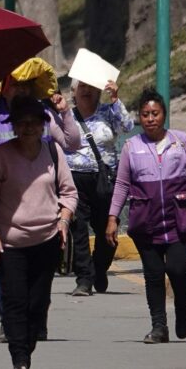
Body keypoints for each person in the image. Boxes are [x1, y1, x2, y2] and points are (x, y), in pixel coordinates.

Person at [0, 57, 81, 343]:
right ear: (4, 88)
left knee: (39, 278)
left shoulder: (42, 115)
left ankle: (35, 319)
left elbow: (72, 142)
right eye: (14, 85)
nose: (20, 91)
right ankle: (9, 320)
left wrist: (65, 113)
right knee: (7, 270)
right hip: (5, 207)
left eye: (26, 85)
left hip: (40, 204)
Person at [0, 95, 77, 369]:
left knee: (38, 304)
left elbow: (69, 192)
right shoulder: (1, 155)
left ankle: (26, 348)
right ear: (13, 126)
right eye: (21, 123)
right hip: (9, 244)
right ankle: (20, 359)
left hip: (46, 241)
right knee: (15, 302)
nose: (28, 128)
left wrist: (64, 220)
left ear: (44, 125)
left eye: (34, 123)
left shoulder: (53, 153)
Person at [106, 89, 186, 344]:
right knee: (153, 274)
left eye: (155, 113)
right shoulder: (131, 147)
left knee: (177, 268)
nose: (150, 119)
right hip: (146, 222)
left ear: (164, 115)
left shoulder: (180, 142)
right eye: (145, 114)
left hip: (179, 220)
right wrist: (113, 217)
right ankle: (159, 326)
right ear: (140, 118)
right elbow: (122, 185)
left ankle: (182, 308)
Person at [65, 79, 134, 296]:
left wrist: (115, 99)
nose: (86, 91)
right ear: (73, 92)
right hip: (74, 178)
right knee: (79, 230)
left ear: (99, 91)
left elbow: (128, 127)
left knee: (108, 230)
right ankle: (84, 279)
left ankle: (99, 269)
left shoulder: (108, 112)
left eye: (91, 87)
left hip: (105, 179)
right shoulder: (65, 115)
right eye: (81, 87)